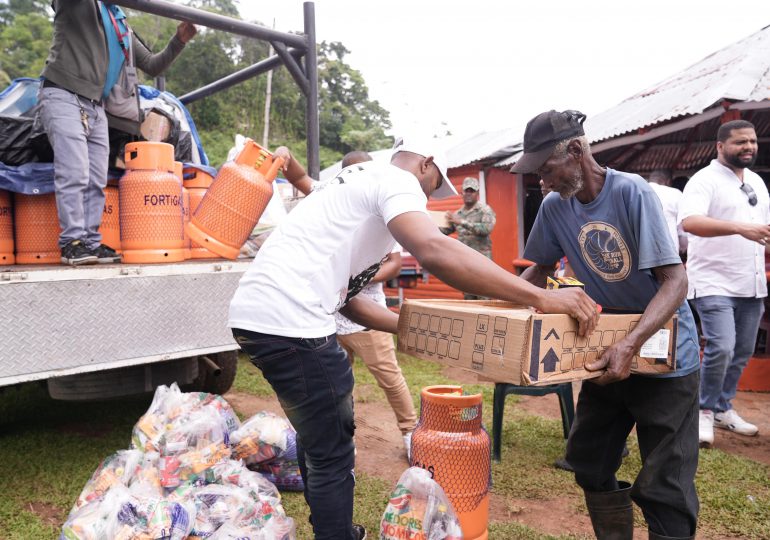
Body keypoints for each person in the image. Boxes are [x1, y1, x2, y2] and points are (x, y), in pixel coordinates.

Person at [228, 137, 599, 540]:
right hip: (292, 322)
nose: (426, 199)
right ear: (426, 163)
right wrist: (542, 296)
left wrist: (427, 328)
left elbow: (351, 303)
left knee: (320, 436)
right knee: (333, 448)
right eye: (431, 186)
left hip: (257, 318)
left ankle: (335, 529)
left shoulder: (352, 186)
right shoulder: (394, 180)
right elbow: (434, 249)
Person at [512, 109, 700, 540]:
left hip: (662, 354)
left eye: (547, 169)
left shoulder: (631, 192)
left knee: (664, 484)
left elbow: (675, 281)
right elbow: (537, 273)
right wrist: (503, 313)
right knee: (589, 463)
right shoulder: (554, 207)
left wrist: (631, 344)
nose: (543, 182)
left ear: (576, 151)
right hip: (602, 350)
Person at [38, 1, 196, 265]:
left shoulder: (119, 22)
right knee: (74, 171)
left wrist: (179, 40)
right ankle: (72, 242)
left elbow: (152, 65)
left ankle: (89, 241)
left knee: (96, 179)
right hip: (63, 93)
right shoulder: (80, 5)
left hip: (96, 105)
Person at [679, 119, 767, 447]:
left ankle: (722, 408)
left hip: (752, 281)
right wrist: (739, 228)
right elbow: (690, 222)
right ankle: (702, 411)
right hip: (714, 280)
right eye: (740, 142)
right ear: (720, 146)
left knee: (742, 351)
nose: (748, 147)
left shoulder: (757, 181)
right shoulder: (704, 180)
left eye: (753, 141)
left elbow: (761, 229)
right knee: (723, 346)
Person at [332, 151, 418, 461]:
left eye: (363, 170)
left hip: (368, 316)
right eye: (352, 172)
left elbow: (395, 263)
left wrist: (359, 278)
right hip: (332, 317)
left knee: (389, 378)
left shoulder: (380, 210)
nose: (359, 177)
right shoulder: (336, 210)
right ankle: (340, 438)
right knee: (336, 383)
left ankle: (410, 434)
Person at [440, 176, 496, 299]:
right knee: (468, 298)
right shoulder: (458, 214)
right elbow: (444, 232)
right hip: (465, 263)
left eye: (472, 191)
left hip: (482, 264)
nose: (469, 194)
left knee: (484, 297)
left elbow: (486, 229)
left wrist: (462, 222)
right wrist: (430, 222)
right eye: (467, 191)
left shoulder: (484, 210)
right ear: (462, 193)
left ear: (477, 193)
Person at [647, 169, 687, 256]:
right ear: (668, 181)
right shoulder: (674, 193)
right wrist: (683, 248)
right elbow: (683, 228)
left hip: (638, 255)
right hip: (667, 254)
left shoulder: (634, 192)